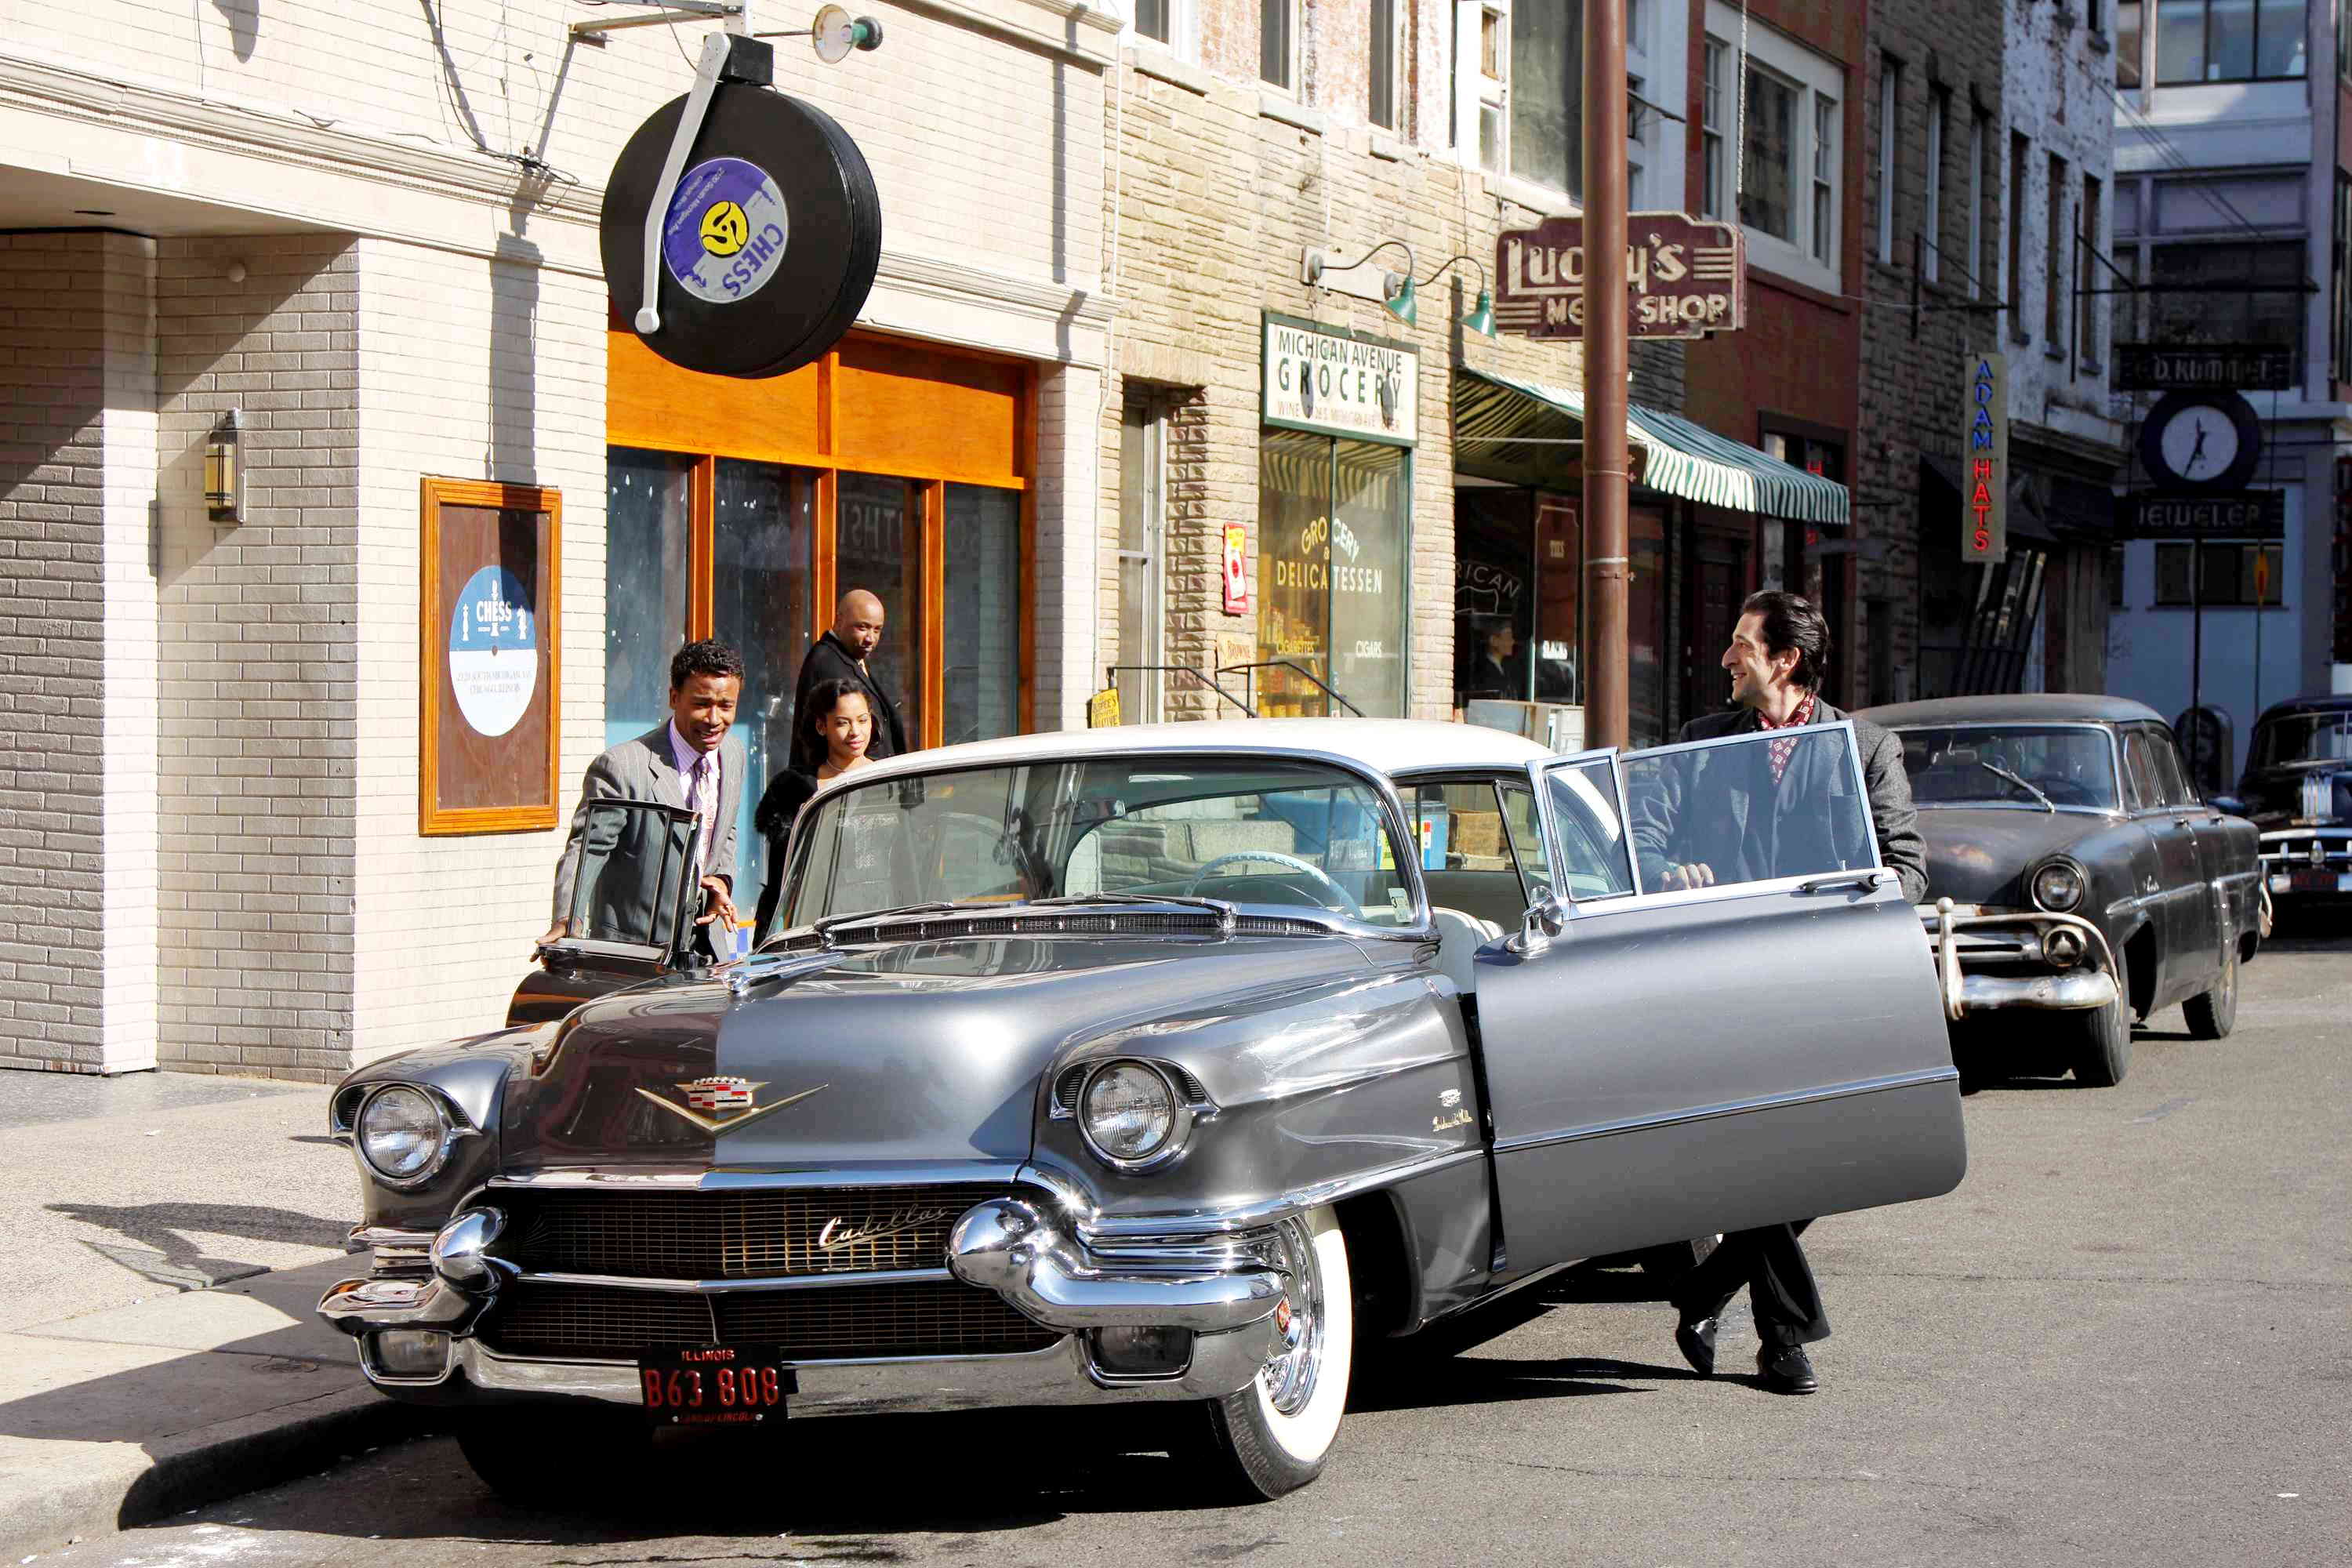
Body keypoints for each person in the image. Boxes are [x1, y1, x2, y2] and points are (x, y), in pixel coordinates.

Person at [1639, 590, 1926, 1398]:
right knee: (1764, 1155)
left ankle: (1704, 1292)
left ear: (1784, 660)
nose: (1726, 658)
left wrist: (1849, 899)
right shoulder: (1699, 747)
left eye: (1740, 644)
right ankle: (1784, 1338)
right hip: (1721, 987)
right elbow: (1643, 844)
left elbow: (1906, 865)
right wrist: (1667, 872)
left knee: (1827, 1159)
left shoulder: (1863, 748)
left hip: (1824, 985)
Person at [543, 639, 748, 961]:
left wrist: (720, 881)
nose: (713, 719)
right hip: (636, 957)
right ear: (673, 698)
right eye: (701, 703)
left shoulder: (733, 754)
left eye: (725, 706)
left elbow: (725, 828)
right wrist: (567, 921)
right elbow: (587, 851)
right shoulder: (622, 768)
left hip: (708, 953)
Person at [751, 679, 878, 942]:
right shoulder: (794, 790)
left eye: (863, 720)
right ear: (822, 726)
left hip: (880, 922)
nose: (856, 731)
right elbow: (780, 881)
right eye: (843, 722)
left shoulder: (891, 780)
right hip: (814, 931)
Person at [790, 590, 909, 771]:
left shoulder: (851, 658)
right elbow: (825, 743)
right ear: (839, 622)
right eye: (862, 627)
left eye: (877, 630)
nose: (870, 638)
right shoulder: (827, 663)